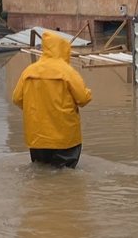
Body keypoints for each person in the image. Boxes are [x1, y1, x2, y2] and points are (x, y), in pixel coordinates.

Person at [12, 30, 92, 168]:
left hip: (37, 138)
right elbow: (83, 99)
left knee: (41, 174)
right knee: (65, 178)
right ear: (64, 49)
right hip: (65, 138)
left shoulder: (29, 71)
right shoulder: (68, 72)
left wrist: (36, 108)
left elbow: (17, 98)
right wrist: (88, 92)